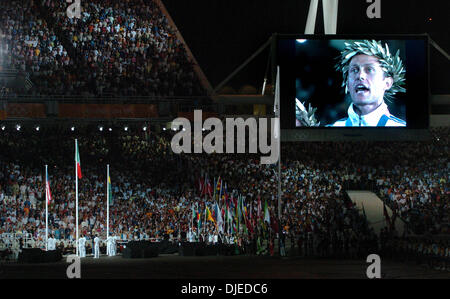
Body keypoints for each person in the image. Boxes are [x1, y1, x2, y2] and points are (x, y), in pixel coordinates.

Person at [328, 40, 406, 127]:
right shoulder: (330, 130)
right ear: (348, 84)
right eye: (354, 70)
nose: (360, 76)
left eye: (369, 69)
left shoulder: (404, 132)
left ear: (387, 83)